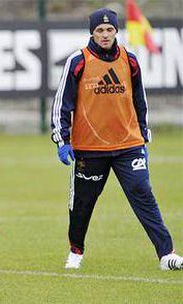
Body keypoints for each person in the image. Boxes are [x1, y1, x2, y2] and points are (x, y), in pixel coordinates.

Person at [51, 8, 182, 271]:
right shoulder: (78, 61)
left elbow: (139, 99)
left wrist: (143, 134)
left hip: (128, 145)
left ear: (116, 31)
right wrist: (62, 139)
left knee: (142, 193)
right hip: (90, 148)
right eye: (99, 30)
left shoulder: (130, 60)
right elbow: (61, 104)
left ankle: (166, 254)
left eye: (110, 30)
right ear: (92, 32)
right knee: (82, 205)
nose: (105, 34)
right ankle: (76, 251)